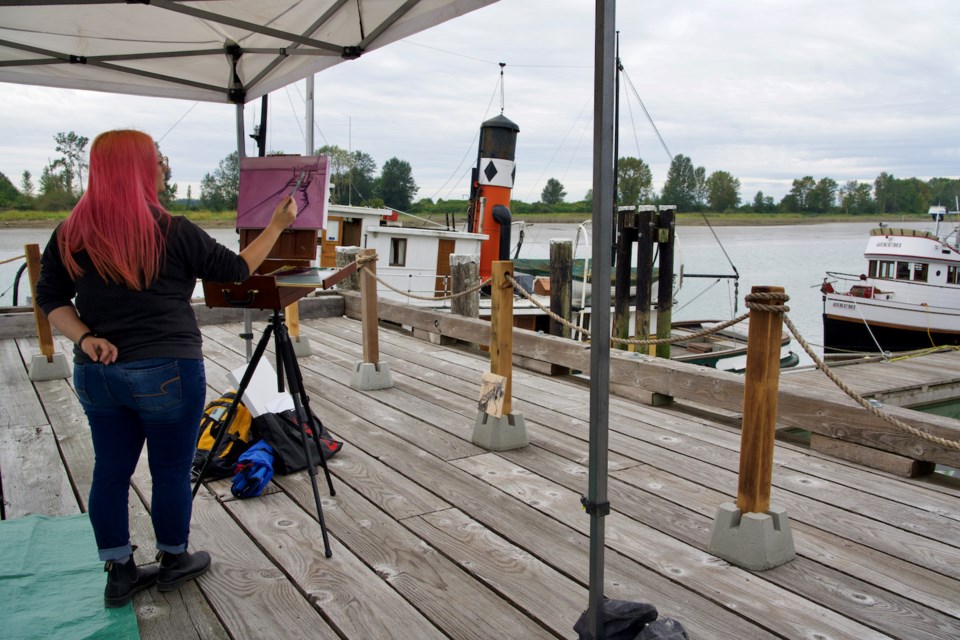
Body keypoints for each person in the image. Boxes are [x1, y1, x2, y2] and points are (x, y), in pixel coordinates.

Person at [35, 129, 298, 608]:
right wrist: (277, 226)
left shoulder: (71, 233)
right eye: (157, 158)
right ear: (140, 170)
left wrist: (86, 338)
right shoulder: (174, 229)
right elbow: (238, 269)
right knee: (171, 471)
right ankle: (175, 559)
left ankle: (119, 572)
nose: (163, 165)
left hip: (99, 373)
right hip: (168, 372)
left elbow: (49, 297)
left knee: (110, 473)